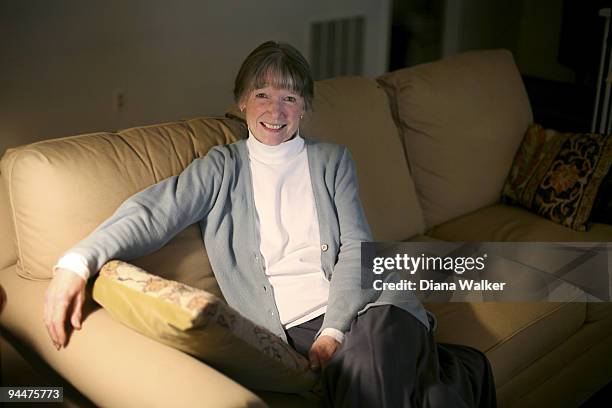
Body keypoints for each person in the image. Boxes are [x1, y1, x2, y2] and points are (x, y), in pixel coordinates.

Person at [43, 41, 496, 407]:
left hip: (373, 301)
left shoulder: (333, 160)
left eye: (289, 97)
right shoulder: (220, 168)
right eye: (262, 94)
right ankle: (464, 374)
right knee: (394, 383)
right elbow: (154, 210)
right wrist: (78, 263)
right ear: (242, 102)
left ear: (305, 108)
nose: (275, 110)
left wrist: (334, 330)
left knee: (372, 347)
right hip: (293, 325)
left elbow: (358, 248)